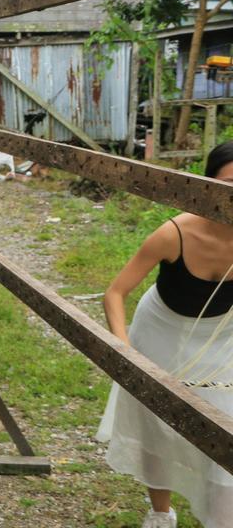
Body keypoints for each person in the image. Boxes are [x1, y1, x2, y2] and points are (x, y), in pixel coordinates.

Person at [99, 140, 233, 528]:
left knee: (225, 427)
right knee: (157, 421)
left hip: (219, 337)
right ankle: (160, 514)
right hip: (161, 330)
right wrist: (124, 352)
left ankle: (221, 517)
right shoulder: (174, 232)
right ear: (207, 186)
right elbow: (115, 293)